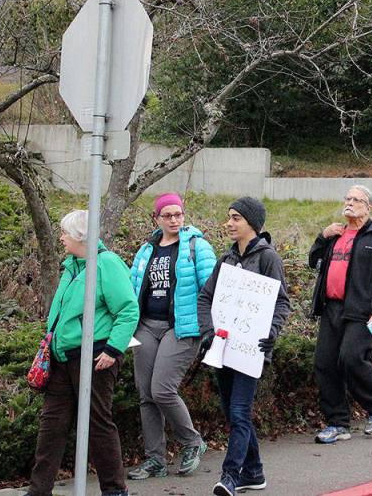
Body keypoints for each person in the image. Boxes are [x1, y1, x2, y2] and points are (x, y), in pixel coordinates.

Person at [27, 210, 139, 496]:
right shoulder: (72, 266)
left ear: (80, 236)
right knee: (51, 424)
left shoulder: (107, 264)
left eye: (65, 232)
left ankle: (114, 490)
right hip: (63, 357)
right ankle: (39, 490)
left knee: (98, 422)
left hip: (95, 356)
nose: (61, 237)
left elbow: (128, 309)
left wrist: (113, 350)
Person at [197, 197, 291, 495]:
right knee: (232, 412)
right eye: (229, 217)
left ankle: (230, 476)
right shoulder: (225, 260)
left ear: (252, 223)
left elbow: (281, 302)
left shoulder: (268, 259)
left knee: (239, 412)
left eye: (235, 218)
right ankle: (254, 472)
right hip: (223, 349)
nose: (229, 223)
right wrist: (209, 332)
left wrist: (272, 332)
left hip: (252, 351)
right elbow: (205, 298)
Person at [127, 193, 217, 480]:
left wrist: (209, 328)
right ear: (157, 219)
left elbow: (213, 289)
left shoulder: (197, 247)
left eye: (178, 214)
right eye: (167, 215)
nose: (174, 220)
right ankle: (155, 460)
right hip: (146, 326)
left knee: (162, 389)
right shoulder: (146, 250)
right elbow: (132, 289)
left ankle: (192, 442)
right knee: (146, 395)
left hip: (181, 328)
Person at [309, 185, 372, 443]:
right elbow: (313, 261)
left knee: (351, 358)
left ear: (368, 207)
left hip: (362, 311)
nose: (350, 203)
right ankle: (337, 423)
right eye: (347, 198)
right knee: (324, 363)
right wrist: (322, 237)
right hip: (331, 308)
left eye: (356, 200)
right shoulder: (335, 234)